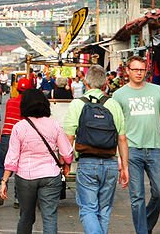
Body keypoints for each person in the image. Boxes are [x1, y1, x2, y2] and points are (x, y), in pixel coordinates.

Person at [113, 56, 160, 234]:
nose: (138, 73)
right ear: (127, 71)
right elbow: (116, 127)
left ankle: (145, 225)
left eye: (142, 70)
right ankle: (142, 231)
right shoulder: (118, 95)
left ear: (146, 71)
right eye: (135, 70)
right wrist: (119, 157)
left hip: (155, 148)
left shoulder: (157, 91)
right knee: (137, 197)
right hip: (131, 150)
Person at [63, 65, 129, 234]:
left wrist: (64, 163)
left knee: (88, 209)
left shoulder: (77, 104)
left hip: (86, 163)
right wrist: (125, 167)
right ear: (105, 83)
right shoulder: (113, 104)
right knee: (104, 209)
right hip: (110, 163)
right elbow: (122, 138)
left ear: (86, 82)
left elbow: (68, 137)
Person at [0, 89, 73, 234]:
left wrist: (4, 181)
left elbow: (12, 158)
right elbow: (67, 152)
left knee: (26, 216)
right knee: (49, 217)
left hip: (26, 176)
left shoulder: (19, 127)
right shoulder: (54, 124)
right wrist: (66, 164)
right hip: (50, 175)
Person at [0, 76, 33, 207]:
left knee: (2, 165)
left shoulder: (10, 102)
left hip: (6, 135)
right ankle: (18, 198)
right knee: (19, 168)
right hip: (20, 138)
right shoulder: (29, 105)